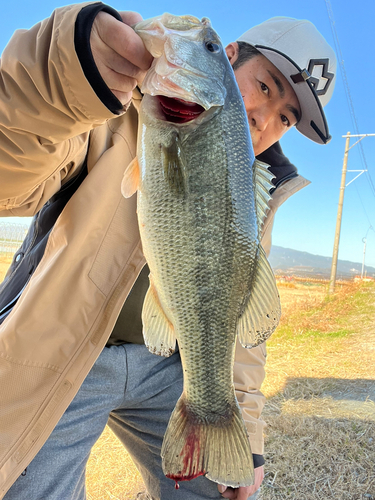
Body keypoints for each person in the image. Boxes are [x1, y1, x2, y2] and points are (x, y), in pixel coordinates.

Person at [0, 4, 336, 500]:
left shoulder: (253, 196)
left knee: (219, 491)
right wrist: (63, 77)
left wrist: (249, 434)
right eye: (264, 86)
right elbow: (11, 180)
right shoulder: (103, 112)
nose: (264, 117)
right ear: (228, 57)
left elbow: (239, 330)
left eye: (285, 118)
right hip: (67, 351)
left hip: (172, 370)